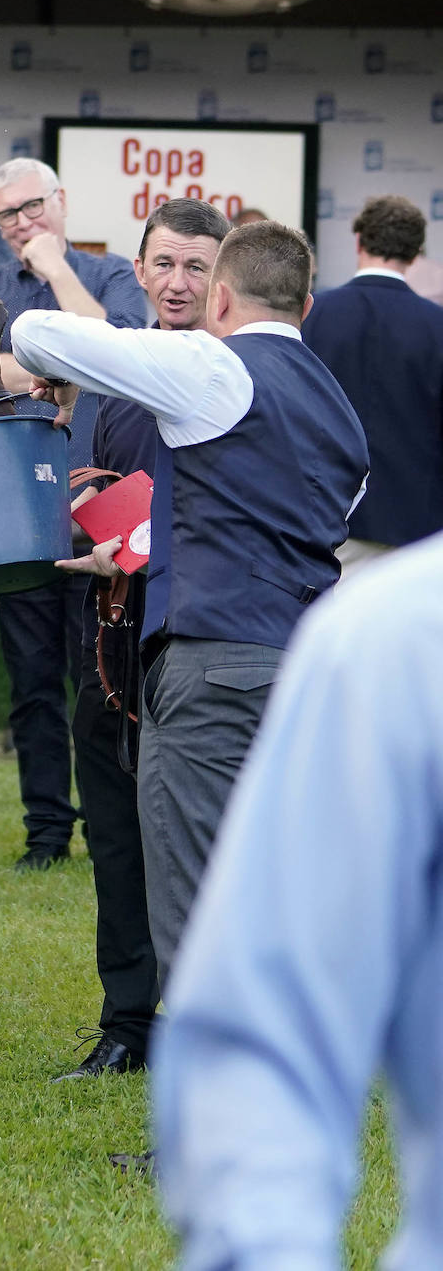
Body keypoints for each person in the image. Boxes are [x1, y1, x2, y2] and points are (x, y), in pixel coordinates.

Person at [11, 220, 369, 993]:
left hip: (211, 663)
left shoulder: (214, 366)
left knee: (195, 911)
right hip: (304, 669)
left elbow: (35, 331)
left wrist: (69, 357)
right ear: (306, 302)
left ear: (221, 297)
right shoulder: (341, 409)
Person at [153, 528, 443, 1271]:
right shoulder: (402, 638)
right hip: (248, 653)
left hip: (217, 659)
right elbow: (267, 1039)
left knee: (189, 894)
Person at [55, 198, 231, 1080]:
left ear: (222, 281)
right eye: (164, 264)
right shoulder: (120, 378)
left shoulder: (234, 380)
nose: (177, 283)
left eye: (197, 267)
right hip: (109, 643)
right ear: (138, 268)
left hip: (198, 656)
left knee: (205, 855)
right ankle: (127, 1025)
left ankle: (218, 1036)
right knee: (117, 841)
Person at [0, 156, 147, 870]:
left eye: (31, 207)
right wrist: (53, 366)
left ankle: (111, 824)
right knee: (32, 683)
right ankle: (46, 834)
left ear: (62, 202)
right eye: (7, 215)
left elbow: (112, 349)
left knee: (102, 678)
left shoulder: (108, 277)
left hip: (98, 512)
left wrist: (53, 270)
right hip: (20, 509)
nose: (22, 224)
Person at [302, 194, 443, 579]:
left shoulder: (313, 314)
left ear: (359, 242)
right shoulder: (437, 326)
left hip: (328, 522)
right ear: (415, 254)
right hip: (419, 529)